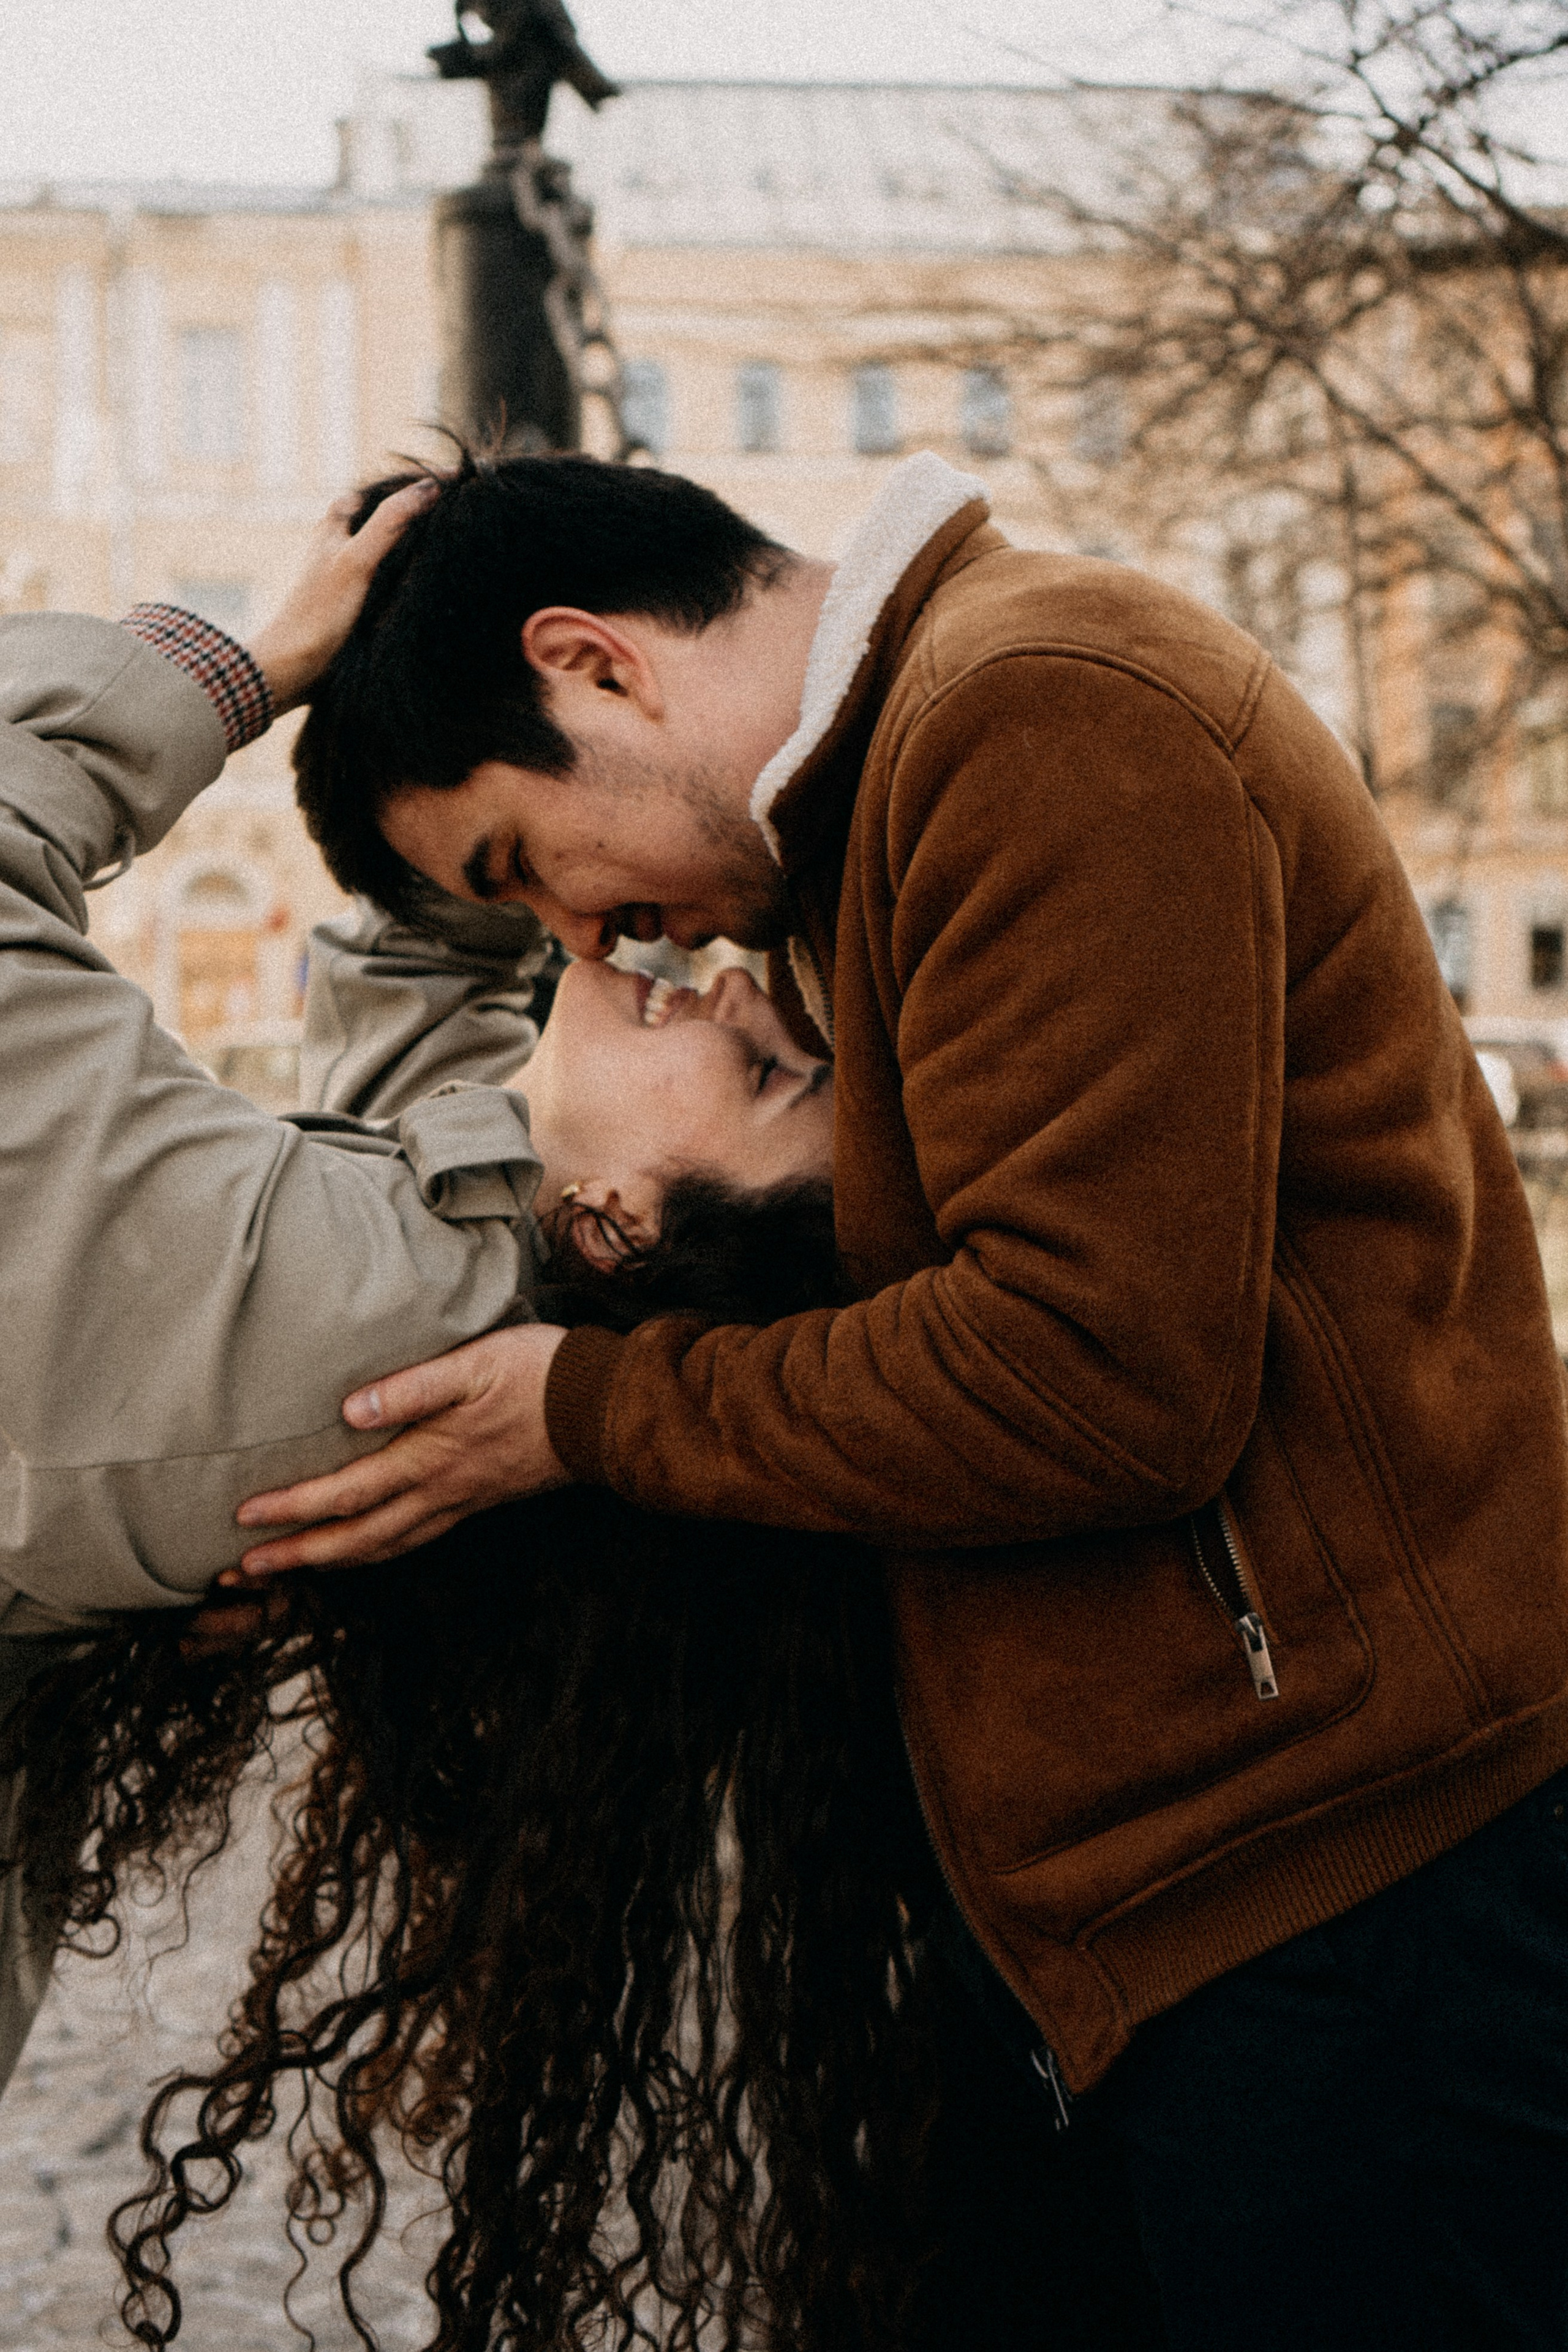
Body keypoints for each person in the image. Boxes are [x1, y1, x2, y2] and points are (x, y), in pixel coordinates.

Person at [236, 445, 1568, 2350]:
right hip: (1184, 1904)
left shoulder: (1039, 713)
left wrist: (586, 1409)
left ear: (595, 667)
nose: (594, 942)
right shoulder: (862, 821)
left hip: (1339, 1883)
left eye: (530, 863)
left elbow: (1096, 1378)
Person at [0, 488, 830, 2092]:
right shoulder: (476, 1290)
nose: (728, 981)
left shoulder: (382, 1320)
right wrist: (488, 778)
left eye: (772, 1069)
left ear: (641, 1235)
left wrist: (236, 666)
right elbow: (432, 1041)